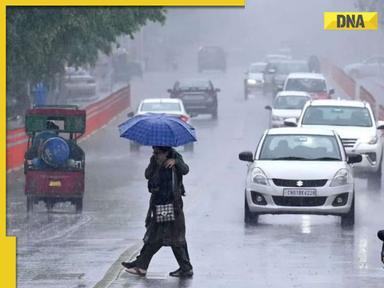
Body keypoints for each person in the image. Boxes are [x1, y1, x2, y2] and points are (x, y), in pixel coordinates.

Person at [122, 146, 193, 277]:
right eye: (154, 152)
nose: (155, 155)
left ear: (166, 153)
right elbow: (147, 175)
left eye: (158, 153)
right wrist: (156, 163)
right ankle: (185, 267)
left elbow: (185, 170)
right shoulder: (154, 161)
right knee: (169, 236)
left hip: (171, 205)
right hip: (159, 204)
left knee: (160, 236)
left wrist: (176, 162)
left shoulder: (176, 158)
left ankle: (141, 265)